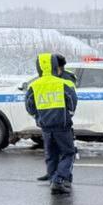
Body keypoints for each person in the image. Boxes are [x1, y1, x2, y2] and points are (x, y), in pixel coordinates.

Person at [24, 52, 78, 196]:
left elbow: (29, 106)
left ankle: (54, 178)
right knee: (68, 153)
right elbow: (72, 101)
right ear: (54, 66)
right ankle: (58, 180)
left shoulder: (33, 86)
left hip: (46, 126)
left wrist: (37, 116)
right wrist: (69, 114)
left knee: (51, 153)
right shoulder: (63, 83)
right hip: (62, 125)